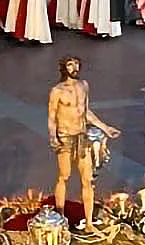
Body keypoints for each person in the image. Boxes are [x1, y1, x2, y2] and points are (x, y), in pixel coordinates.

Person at [48, 55, 119, 225]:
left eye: (77, 64)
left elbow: (86, 112)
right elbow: (52, 117)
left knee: (87, 179)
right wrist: (53, 136)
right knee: (64, 176)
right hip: (65, 137)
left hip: (81, 136)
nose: (75, 68)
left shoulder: (84, 86)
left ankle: (88, 223)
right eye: (71, 65)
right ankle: (60, 217)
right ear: (64, 68)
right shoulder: (57, 91)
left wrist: (105, 127)